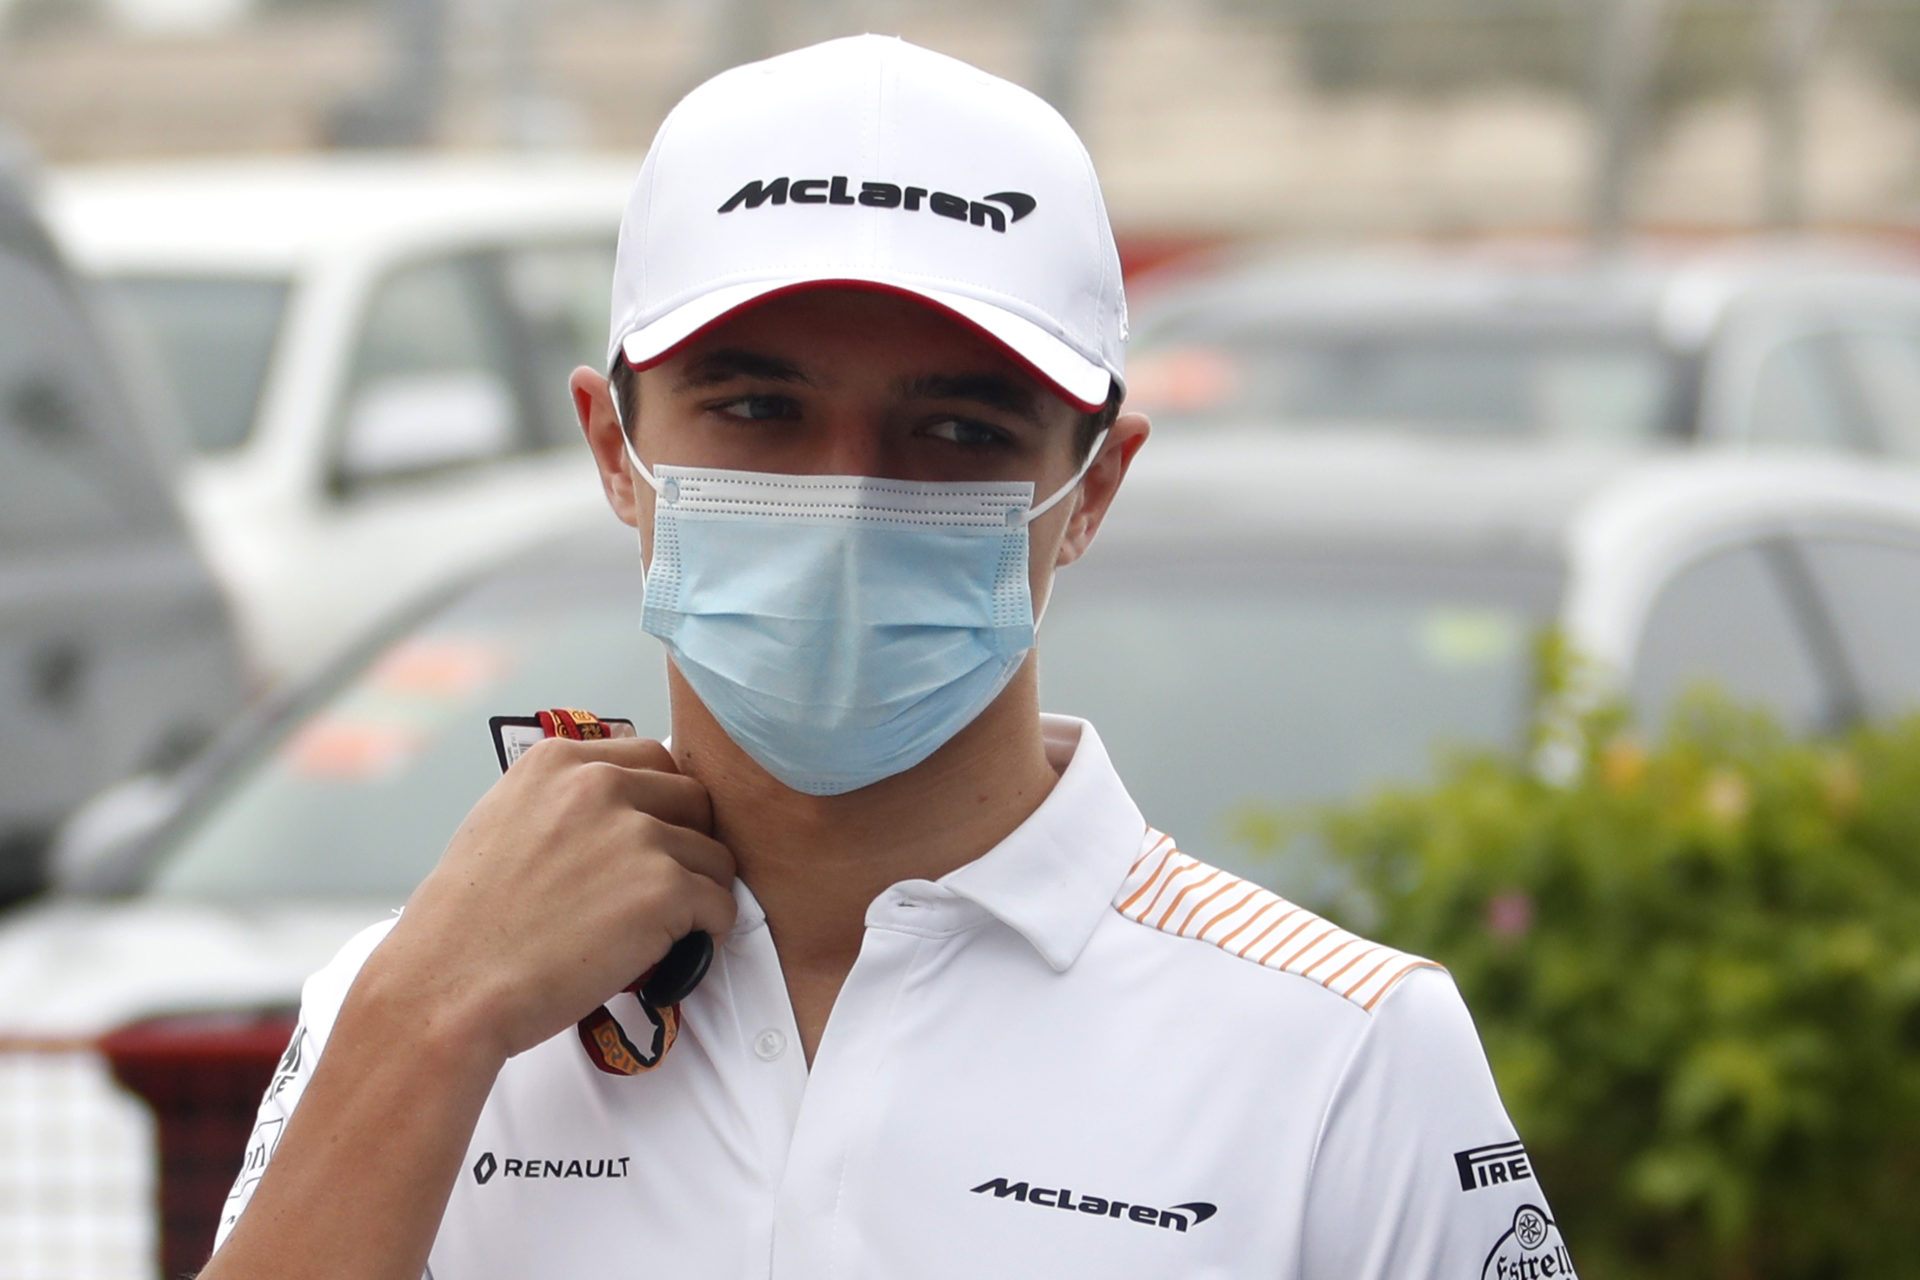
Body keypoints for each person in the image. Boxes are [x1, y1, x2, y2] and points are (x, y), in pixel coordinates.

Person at [202, 34, 1572, 1280]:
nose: (849, 497)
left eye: (960, 432)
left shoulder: (1336, 1052)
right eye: (758, 407)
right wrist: (426, 1020)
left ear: (1094, 488)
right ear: (615, 451)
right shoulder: (422, 1004)